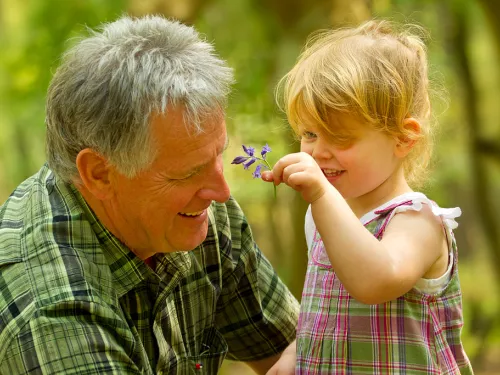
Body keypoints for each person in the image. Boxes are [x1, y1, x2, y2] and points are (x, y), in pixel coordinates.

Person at [0, 15, 299, 374]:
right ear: (99, 174)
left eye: (217, 155)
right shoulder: (53, 313)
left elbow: (308, 349)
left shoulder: (197, 211)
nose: (221, 192)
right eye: (187, 173)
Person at [264, 20, 473, 374]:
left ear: (403, 139)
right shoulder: (322, 217)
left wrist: (320, 196)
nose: (318, 151)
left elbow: (376, 281)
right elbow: (328, 313)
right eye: (310, 133)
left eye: (340, 137)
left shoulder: (417, 220)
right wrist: (290, 358)